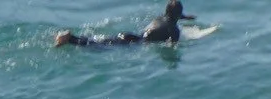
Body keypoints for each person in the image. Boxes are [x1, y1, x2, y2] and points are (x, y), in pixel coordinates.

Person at [55, 0, 193, 47]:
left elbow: (172, 17)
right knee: (98, 47)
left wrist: (186, 17)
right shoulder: (174, 30)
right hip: (135, 44)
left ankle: (72, 38)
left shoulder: (161, 18)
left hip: (131, 36)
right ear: (177, 15)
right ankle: (70, 39)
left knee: (102, 41)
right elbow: (172, 46)